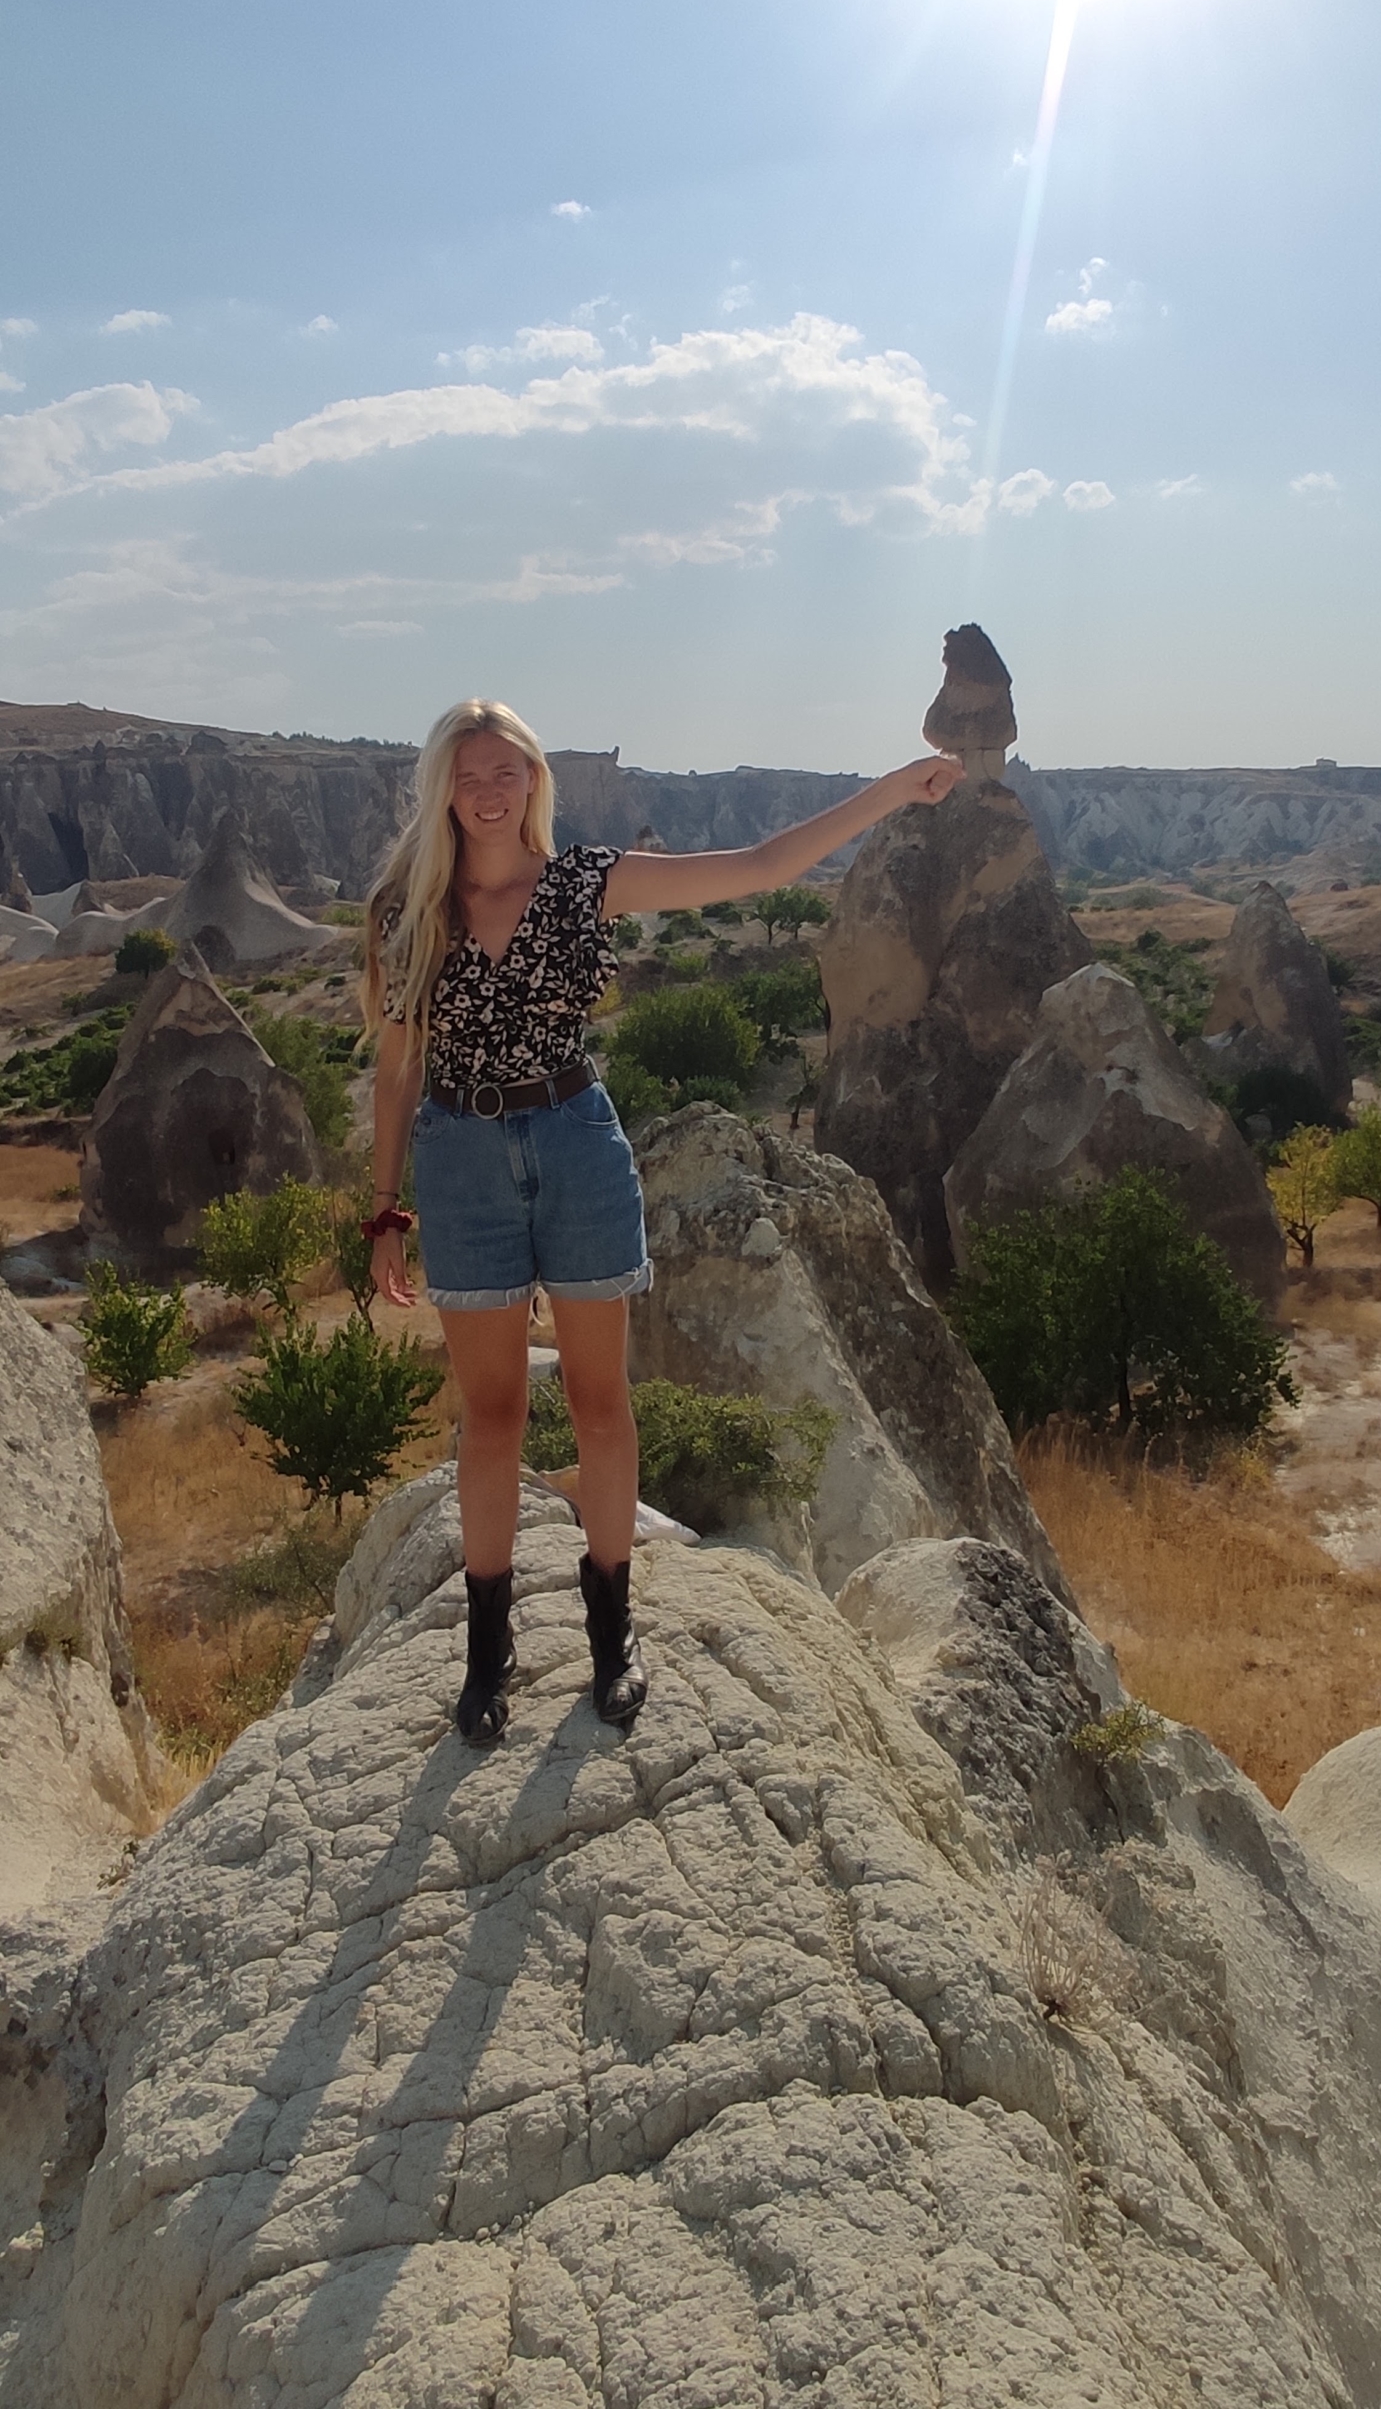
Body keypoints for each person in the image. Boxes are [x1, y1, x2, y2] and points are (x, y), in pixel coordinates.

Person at [361, 698, 962, 1746]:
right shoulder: (407, 909)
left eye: (509, 769)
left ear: (535, 781)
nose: (490, 788)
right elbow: (400, 1064)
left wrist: (891, 791)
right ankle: (489, 1653)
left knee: (600, 1404)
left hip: (574, 1141)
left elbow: (765, 865)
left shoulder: (584, 882)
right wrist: (383, 1207)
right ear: (443, 787)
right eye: (470, 772)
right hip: (461, 1160)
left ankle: (611, 1634)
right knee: (492, 1416)